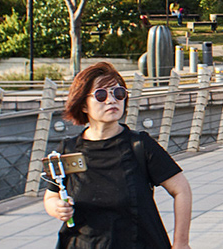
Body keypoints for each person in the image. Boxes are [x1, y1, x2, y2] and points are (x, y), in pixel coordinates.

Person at [42, 62, 192, 249]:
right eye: (101, 95)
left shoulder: (140, 145)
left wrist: (181, 243)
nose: (111, 100)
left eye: (118, 93)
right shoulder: (68, 150)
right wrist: (56, 208)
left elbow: (182, 190)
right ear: (83, 105)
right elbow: (51, 196)